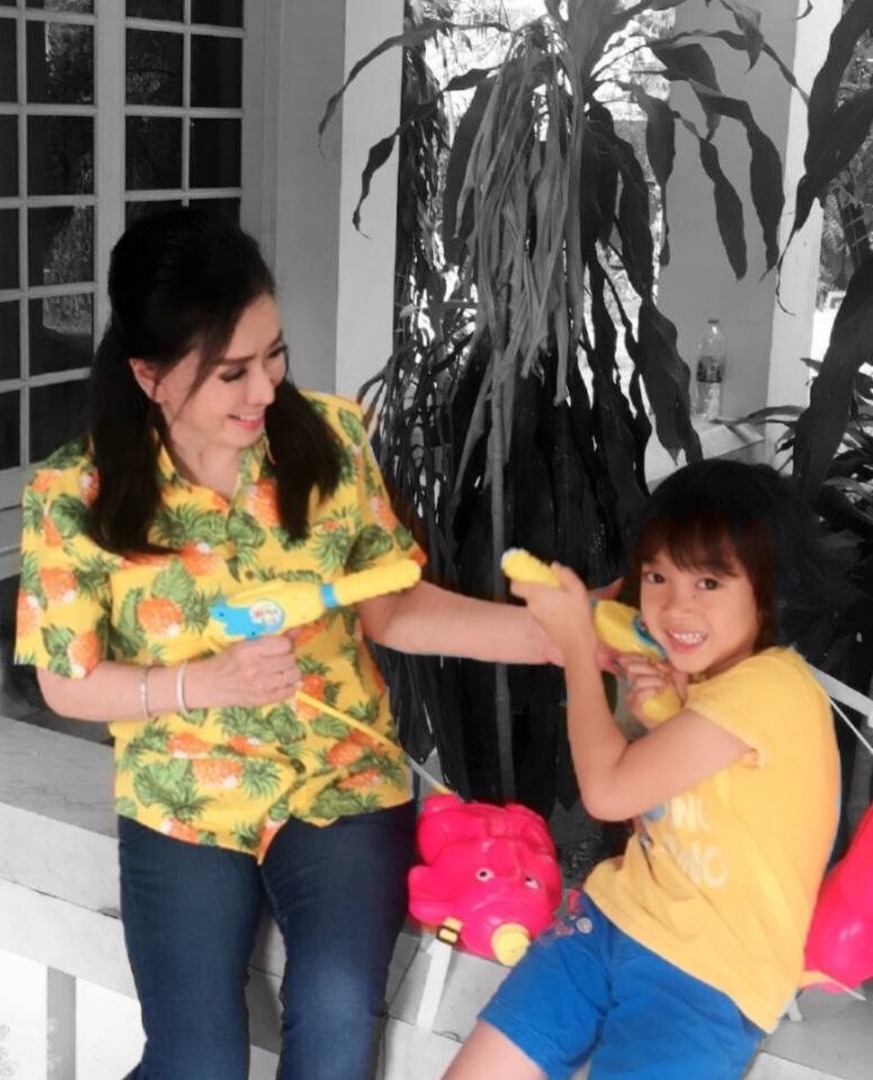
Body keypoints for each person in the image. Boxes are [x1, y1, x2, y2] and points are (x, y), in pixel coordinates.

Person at [13, 207, 559, 1080]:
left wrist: (558, 637)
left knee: (335, 1018)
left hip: (340, 780)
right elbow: (67, 684)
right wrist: (202, 684)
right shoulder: (75, 493)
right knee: (196, 1062)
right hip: (183, 791)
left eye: (275, 356)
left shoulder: (330, 440)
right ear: (150, 376)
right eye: (231, 372)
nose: (265, 390)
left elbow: (391, 608)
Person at [443, 459, 842, 1080]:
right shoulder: (701, 681)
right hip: (612, 919)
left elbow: (607, 792)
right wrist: (653, 710)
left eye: (708, 582)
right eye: (657, 576)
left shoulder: (772, 688)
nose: (675, 607)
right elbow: (656, 818)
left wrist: (578, 648)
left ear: (770, 591)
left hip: (708, 977)